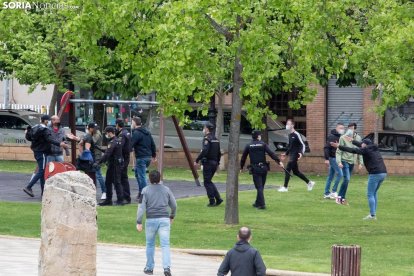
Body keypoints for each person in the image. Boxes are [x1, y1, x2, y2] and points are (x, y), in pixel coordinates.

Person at [331, 138, 387, 220]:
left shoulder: (366, 150)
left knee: (370, 194)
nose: (361, 145)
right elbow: (361, 145)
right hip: (383, 173)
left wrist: (339, 146)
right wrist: (353, 141)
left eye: (362, 144)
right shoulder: (374, 148)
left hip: (375, 173)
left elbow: (353, 150)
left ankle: (372, 215)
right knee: (374, 193)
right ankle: (373, 214)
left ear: (365, 145)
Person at [136, 170, 177, 276]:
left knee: (150, 244)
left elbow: (141, 207)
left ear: (149, 179)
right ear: (160, 178)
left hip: (150, 220)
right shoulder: (166, 190)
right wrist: (172, 215)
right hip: (164, 219)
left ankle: (149, 268)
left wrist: (139, 221)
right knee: (165, 245)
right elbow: (174, 205)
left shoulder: (145, 190)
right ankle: (166, 268)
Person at [23, 115, 68, 197]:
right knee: (42, 171)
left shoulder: (36, 127)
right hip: (42, 152)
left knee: (42, 171)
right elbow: (49, 139)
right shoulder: (45, 129)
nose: (50, 122)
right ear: (46, 121)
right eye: (49, 120)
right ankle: (28, 187)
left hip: (36, 151)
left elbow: (29, 137)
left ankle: (43, 192)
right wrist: (59, 143)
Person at [240, 130, 284, 209]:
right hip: (264, 168)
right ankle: (258, 202)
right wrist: (279, 162)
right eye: (259, 135)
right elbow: (271, 153)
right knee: (261, 187)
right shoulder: (263, 144)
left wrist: (241, 167)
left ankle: (262, 204)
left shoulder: (248, 145)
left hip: (255, 168)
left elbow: (243, 157)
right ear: (258, 136)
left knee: (259, 187)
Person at [279, 119, 315, 192]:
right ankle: (309, 182)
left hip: (295, 156)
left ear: (292, 125)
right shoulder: (290, 135)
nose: (287, 125)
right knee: (296, 172)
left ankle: (285, 187)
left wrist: (301, 153)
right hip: (291, 155)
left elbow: (303, 145)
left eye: (288, 124)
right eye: (287, 124)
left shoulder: (297, 134)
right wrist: (285, 154)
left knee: (287, 169)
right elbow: (290, 147)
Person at [194, 122, 223, 207]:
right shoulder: (216, 139)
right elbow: (219, 153)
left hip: (208, 163)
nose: (203, 129)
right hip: (214, 163)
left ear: (207, 129)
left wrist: (197, 160)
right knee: (209, 181)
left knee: (207, 182)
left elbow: (205, 151)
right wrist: (217, 162)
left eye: (204, 127)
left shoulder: (207, 139)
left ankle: (212, 201)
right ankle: (218, 198)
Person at [335, 123, 364, 205]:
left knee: (346, 180)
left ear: (355, 129)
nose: (350, 129)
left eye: (352, 128)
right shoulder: (343, 137)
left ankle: (342, 198)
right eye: (349, 128)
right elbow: (339, 151)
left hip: (352, 162)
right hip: (344, 161)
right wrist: (339, 162)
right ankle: (339, 197)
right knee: (347, 179)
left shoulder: (358, 138)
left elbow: (360, 151)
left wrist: (360, 162)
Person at [97, 126, 126, 206]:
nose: (106, 135)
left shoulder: (113, 141)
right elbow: (111, 151)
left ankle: (120, 200)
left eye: (106, 133)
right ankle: (108, 200)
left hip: (115, 165)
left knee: (116, 182)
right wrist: (100, 149)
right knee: (108, 182)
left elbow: (107, 154)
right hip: (114, 164)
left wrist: (99, 162)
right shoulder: (117, 140)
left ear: (110, 132)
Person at [131, 117, 157, 201]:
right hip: (148, 157)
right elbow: (152, 144)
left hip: (141, 157)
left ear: (135, 123)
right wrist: (153, 155)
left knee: (141, 176)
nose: (131, 124)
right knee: (137, 174)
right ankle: (141, 192)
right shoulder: (147, 133)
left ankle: (146, 195)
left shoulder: (136, 133)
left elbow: (131, 144)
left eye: (132, 122)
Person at [323, 122, 345, 198]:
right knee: (340, 174)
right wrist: (326, 158)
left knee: (331, 176)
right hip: (333, 158)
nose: (342, 129)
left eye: (343, 128)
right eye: (340, 128)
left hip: (337, 158)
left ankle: (326, 193)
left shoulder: (341, 137)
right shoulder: (332, 137)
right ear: (336, 128)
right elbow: (326, 148)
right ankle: (334, 191)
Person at [116, 118, 132, 204]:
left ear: (118, 125)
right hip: (127, 157)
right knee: (124, 177)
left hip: (123, 158)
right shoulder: (127, 133)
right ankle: (126, 196)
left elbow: (120, 147)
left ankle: (125, 197)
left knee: (122, 178)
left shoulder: (122, 134)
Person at [92, 125, 107, 200]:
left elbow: (92, 141)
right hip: (94, 156)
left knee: (98, 175)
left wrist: (82, 138)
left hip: (97, 157)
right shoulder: (95, 133)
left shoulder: (97, 134)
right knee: (95, 174)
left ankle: (104, 191)